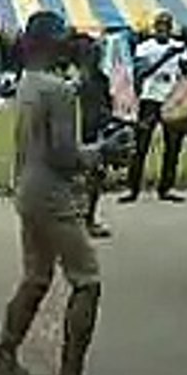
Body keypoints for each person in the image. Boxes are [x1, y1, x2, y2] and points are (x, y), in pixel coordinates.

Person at [0, 11, 131, 375]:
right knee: (87, 281)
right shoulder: (58, 90)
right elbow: (65, 157)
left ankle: (4, 360)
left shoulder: (29, 82)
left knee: (35, 278)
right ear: (52, 43)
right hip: (52, 195)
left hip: (27, 191)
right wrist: (104, 150)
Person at [120, 12, 187, 204]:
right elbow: (141, 73)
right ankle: (132, 189)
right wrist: (165, 57)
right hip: (150, 99)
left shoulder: (179, 47)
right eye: (159, 26)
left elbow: (185, 71)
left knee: (173, 146)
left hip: (172, 100)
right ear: (154, 28)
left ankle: (166, 188)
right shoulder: (144, 48)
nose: (163, 30)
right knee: (141, 145)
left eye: (166, 26)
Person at [75, 36, 113, 239]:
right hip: (86, 135)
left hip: (93, 132)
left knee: (94, 179)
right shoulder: (84, 81)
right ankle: (85, 220)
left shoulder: (98, 79)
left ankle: (87, 219)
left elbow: (104, 108)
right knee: (89, 179)